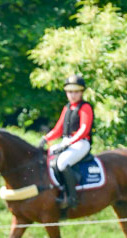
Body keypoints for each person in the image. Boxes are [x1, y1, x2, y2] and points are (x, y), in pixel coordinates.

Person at [38, 74, 94, 209]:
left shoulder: (85, 107)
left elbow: (84, 129)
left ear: (81, 92)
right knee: (47, 157)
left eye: (76, 92)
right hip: (67, 142)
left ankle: (72, 198)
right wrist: (45, 139)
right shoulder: (67, 107)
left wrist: (68, 143)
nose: (73, 95)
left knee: (62, 163)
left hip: (81, 143)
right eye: (70, 92)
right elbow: (58, 128)